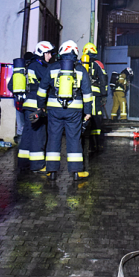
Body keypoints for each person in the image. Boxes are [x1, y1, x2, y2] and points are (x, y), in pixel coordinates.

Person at [36, 40, 92, 179]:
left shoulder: (52, 67)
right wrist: (88, 111)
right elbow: (87, 93)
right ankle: (77, 172)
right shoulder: (80, 69)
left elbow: (42, 88)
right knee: (74, 138)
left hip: (54, 109)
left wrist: (41, 105)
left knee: (53, 138)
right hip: (74, 111)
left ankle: (52, 171)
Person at [15, 42, 53, 172]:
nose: (50, 56)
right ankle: (37, 165)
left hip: (27, 105)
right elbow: (49, 80)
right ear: (41, 52)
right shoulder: (39, 66)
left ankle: (23, 163)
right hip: (37, 105)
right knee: (38, 135)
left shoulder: (29, 65)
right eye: (48, 53)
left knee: (27, 134)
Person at [81, 42, 108, 151]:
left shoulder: (80, 63)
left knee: (85, 117)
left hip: (83, 95)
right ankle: (97, 144)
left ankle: (83, 144)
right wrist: (104, 94)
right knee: (96, 118)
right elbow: (103, 79)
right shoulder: (98, 64)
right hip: (95, 95)